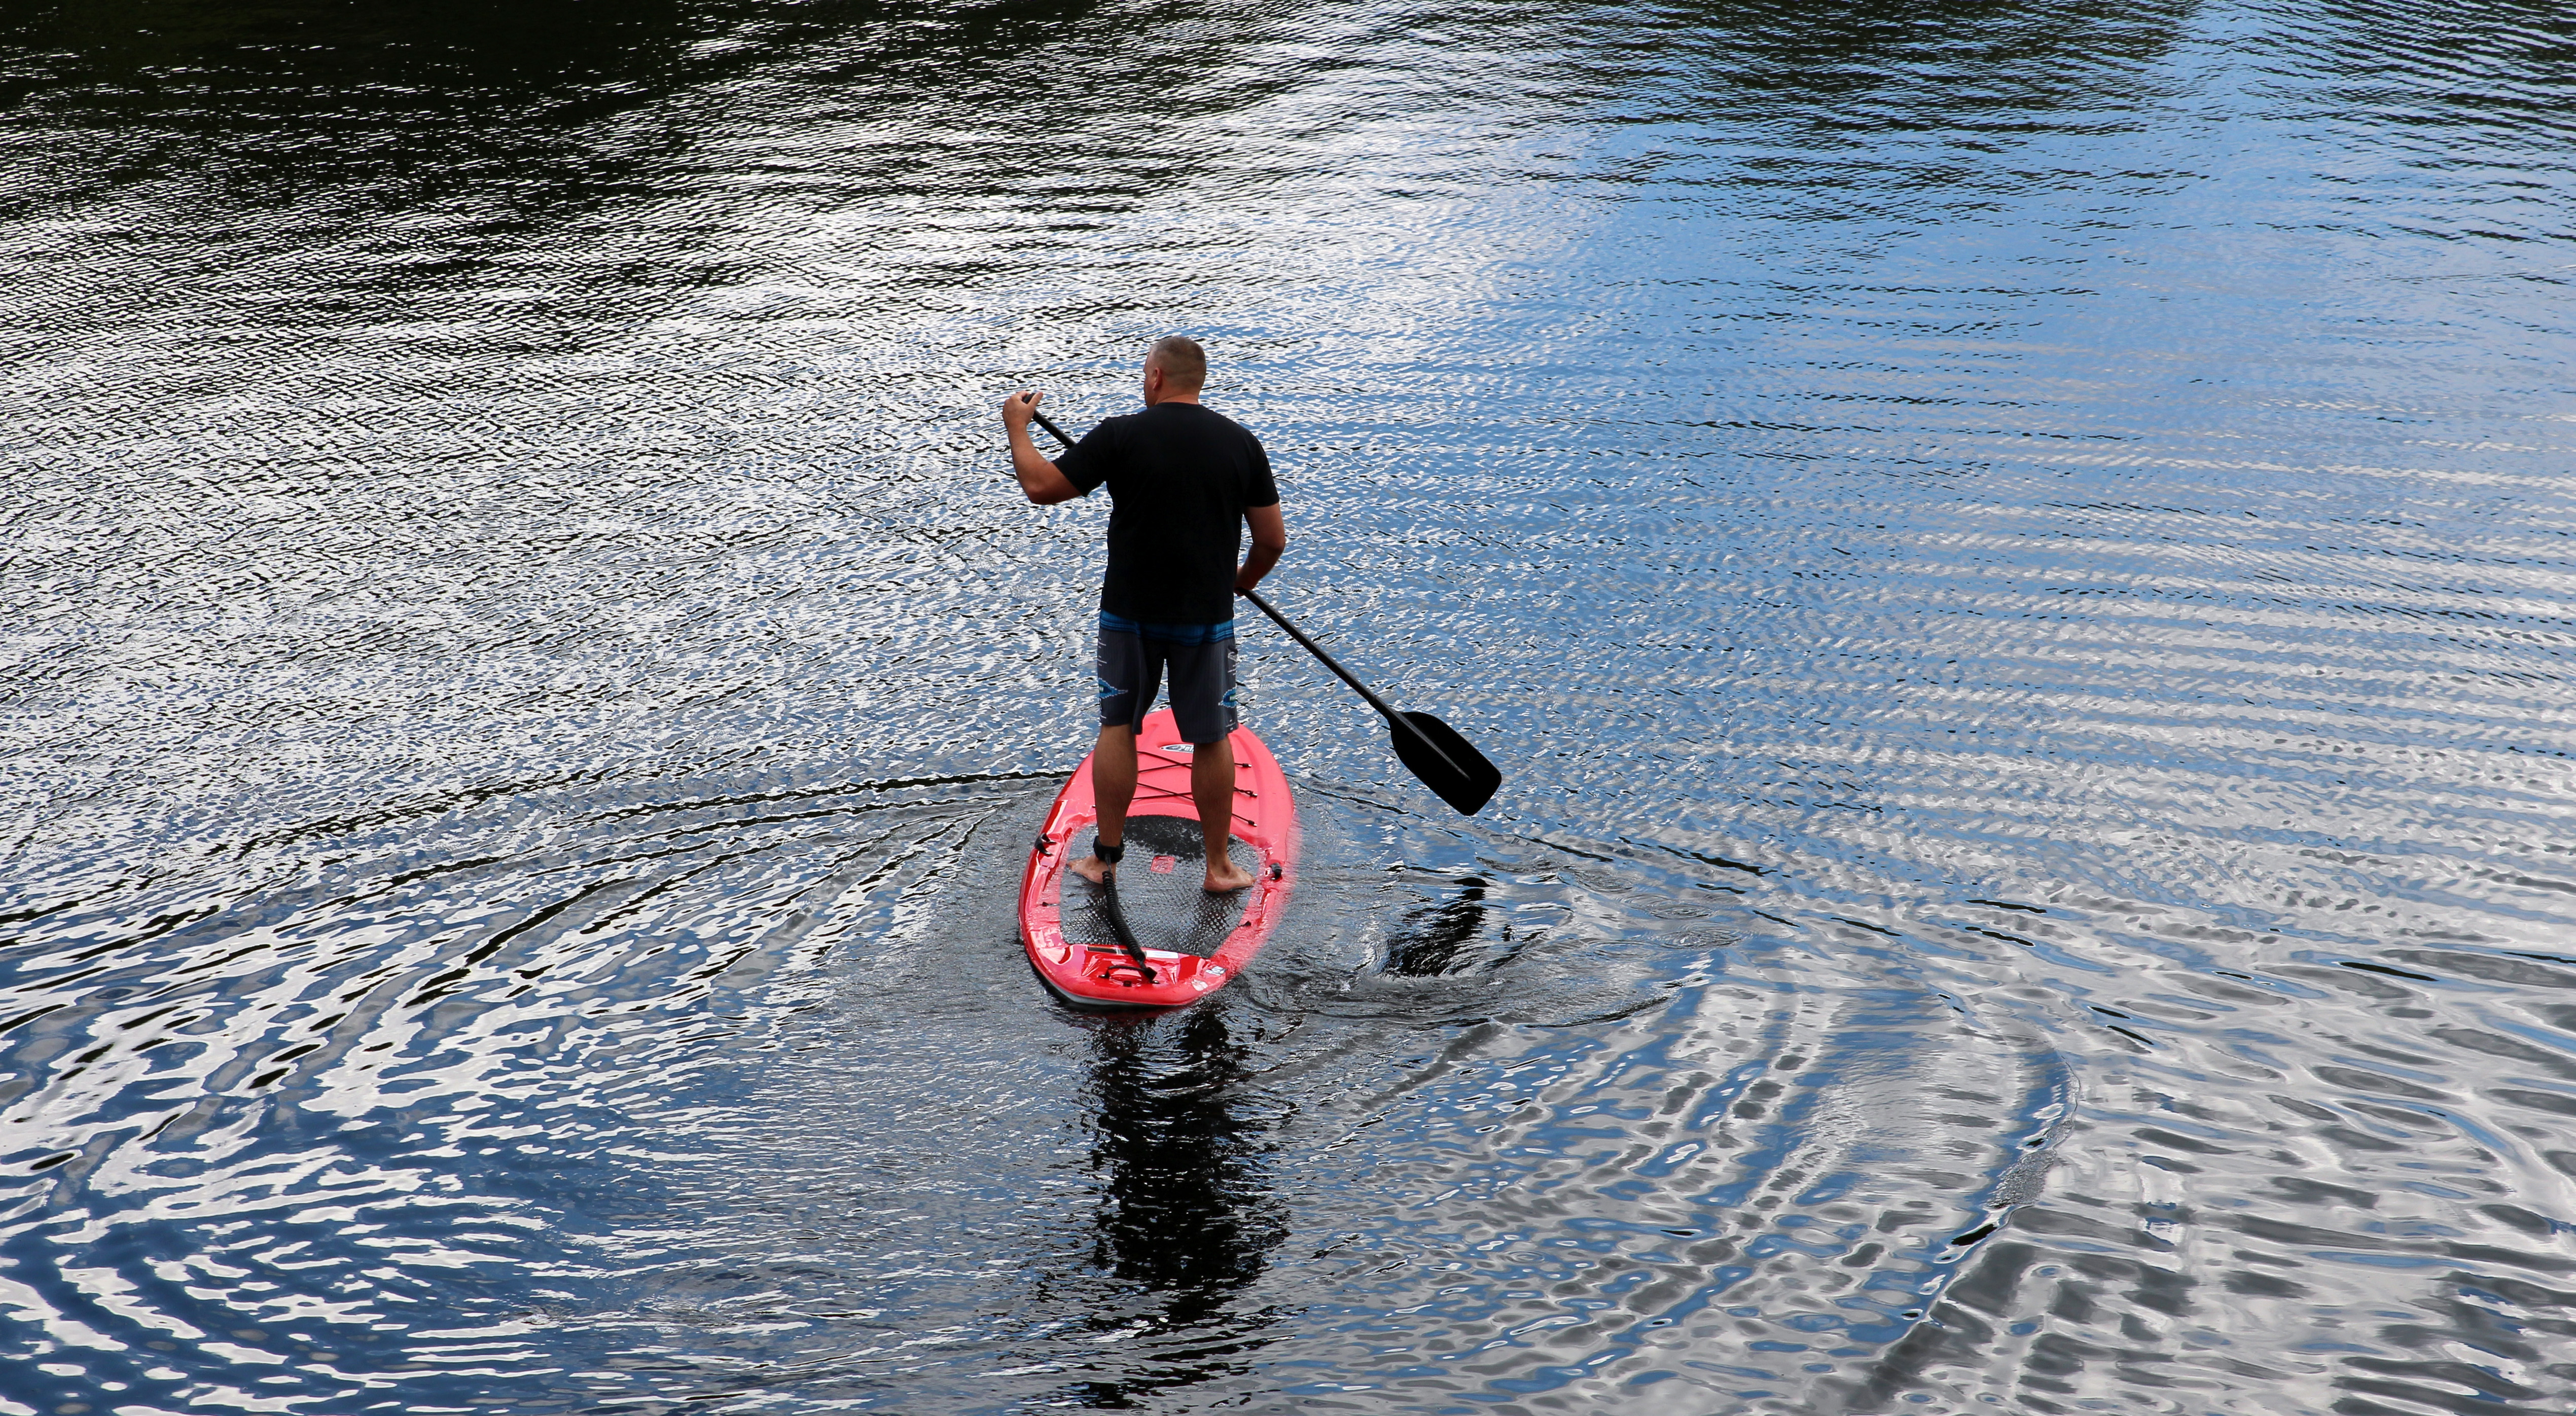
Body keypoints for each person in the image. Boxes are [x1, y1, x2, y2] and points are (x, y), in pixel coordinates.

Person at [1001, 335, 1286, 893]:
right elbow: (1271, 541)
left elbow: (1040, 486)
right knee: (1211, 737)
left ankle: (1105, 858)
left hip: (1128, 613)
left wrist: (1018, 427)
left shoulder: (1120, 435)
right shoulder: (1241, 444)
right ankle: (1218, 869)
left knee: (1118, 727)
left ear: (1155, 377)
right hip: (1205, 616)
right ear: (1196, 381)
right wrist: (1240, 582)